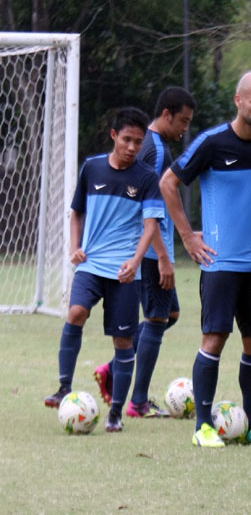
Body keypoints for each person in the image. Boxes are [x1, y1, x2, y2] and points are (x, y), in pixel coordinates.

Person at [160, 71, 251, 448]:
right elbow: (168, 183)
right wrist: (188, 236)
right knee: (214, 339)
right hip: (221, 264)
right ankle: (203, 426)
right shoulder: (212, 143)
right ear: (239, 101)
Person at [44, 107, 162, 433]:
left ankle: (116, 413)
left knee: (123, 342)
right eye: (127, 139)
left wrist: (136, 261)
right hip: (92, 264)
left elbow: (151, 225)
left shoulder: (147, 178)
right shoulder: (92, 168)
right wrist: (74, 246)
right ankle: (64, 387)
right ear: (114, 135)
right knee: (76, 313)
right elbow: (77, 213)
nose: (132, 147)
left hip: (125, 271)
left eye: (138, 142)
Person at [93, 87, 195, 418]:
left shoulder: (156, 146)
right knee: (156, 318)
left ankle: (112, 367)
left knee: (170, 314)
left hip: (155, 246)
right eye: (182, 120)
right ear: (166, 114)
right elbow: (145, 208)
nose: (185, 128)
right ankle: (137, 402)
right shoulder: (153, 150)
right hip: (152, 249)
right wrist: (163, 255)